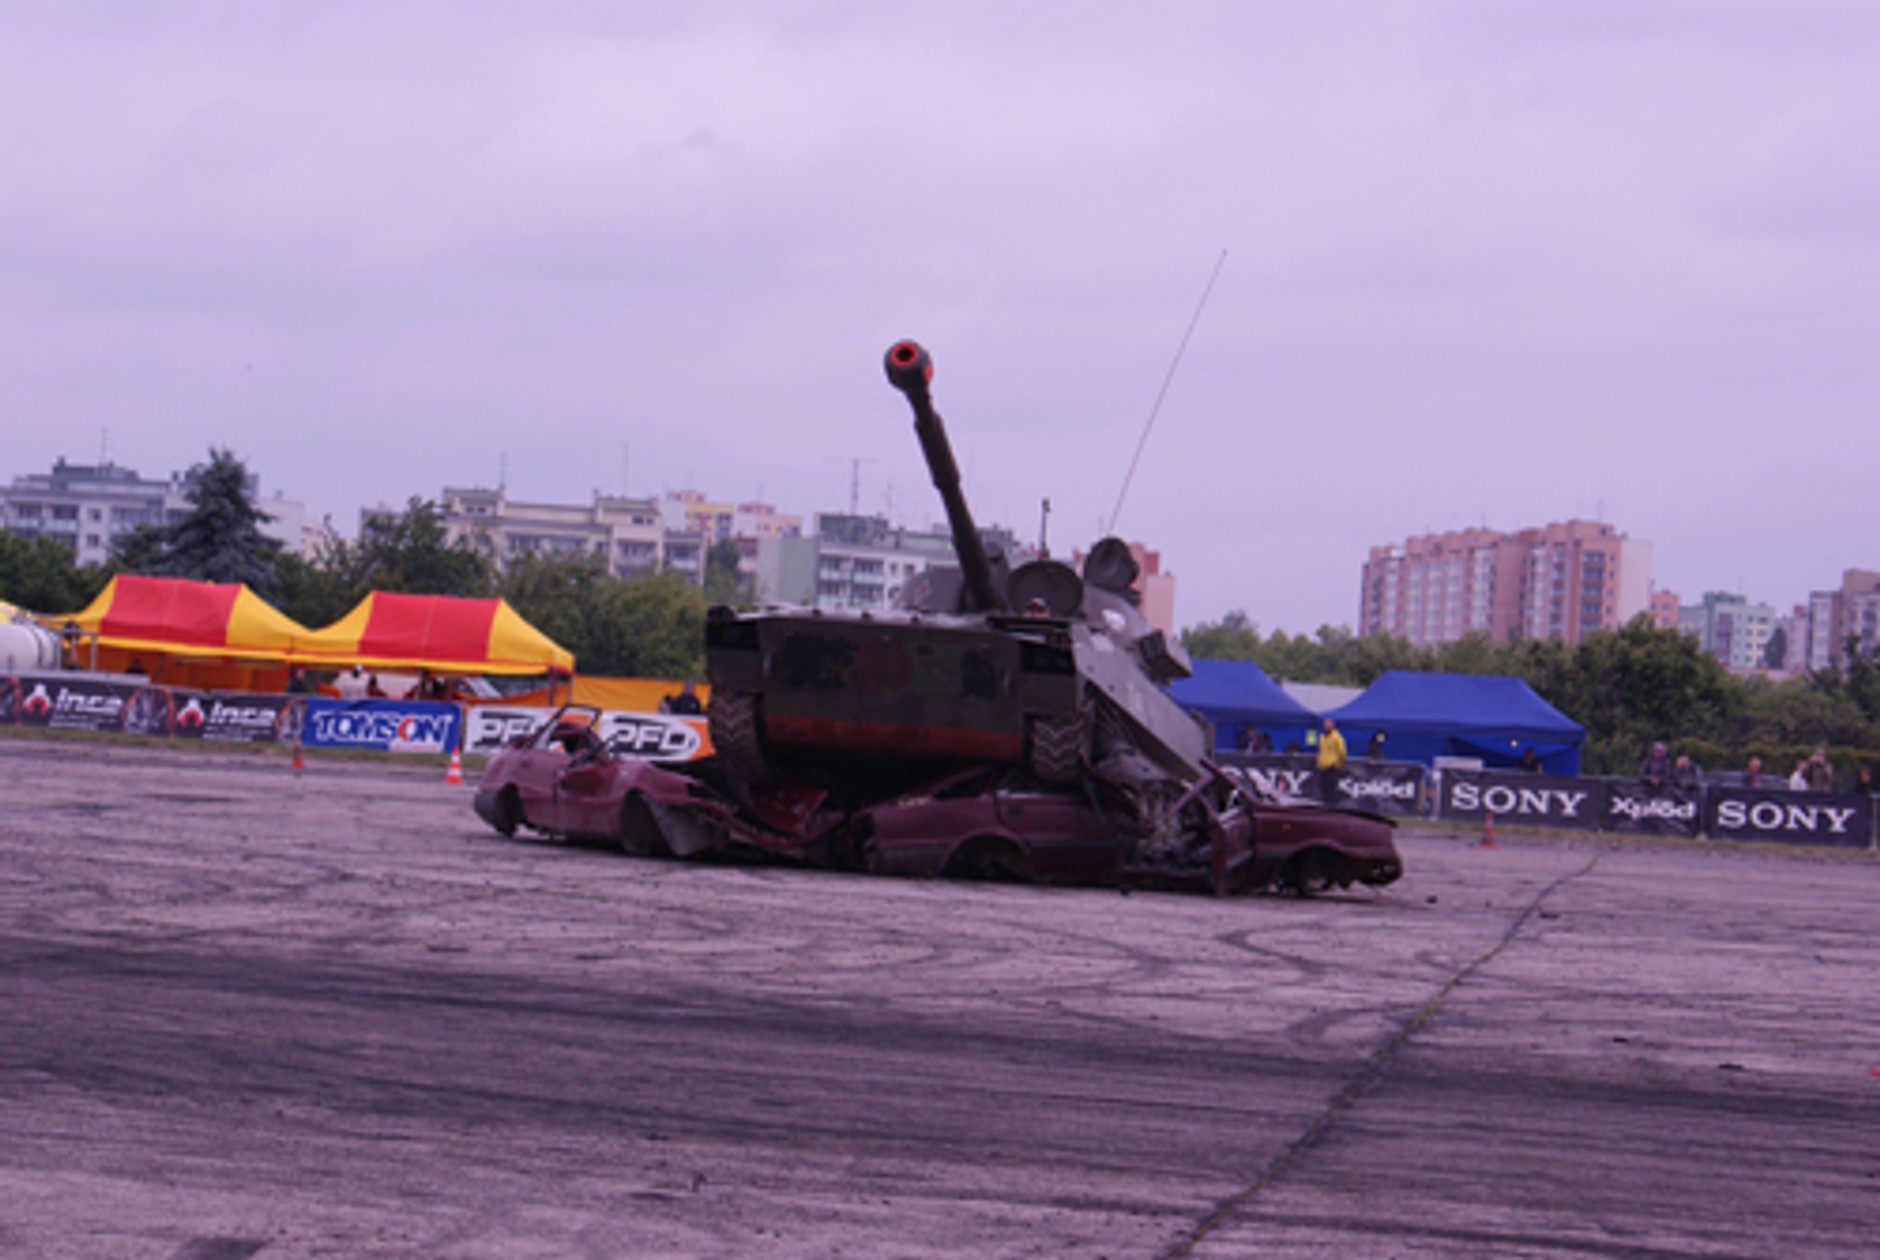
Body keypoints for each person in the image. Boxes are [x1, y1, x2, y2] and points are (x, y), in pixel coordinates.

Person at [1315, 716, 1347, 804]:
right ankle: (1326, 806)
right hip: (1322, 767)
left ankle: (1333, 807)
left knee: (1331, 789)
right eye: (1325, 724)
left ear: (1332, 725)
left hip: (1332, 767)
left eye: (1328, 724)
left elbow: (1342, 753)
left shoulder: (1337, 738)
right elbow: (1321, 751)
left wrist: (1337, 763)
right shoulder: (1322, 737)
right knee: (1323, 788)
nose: (1326, 726)